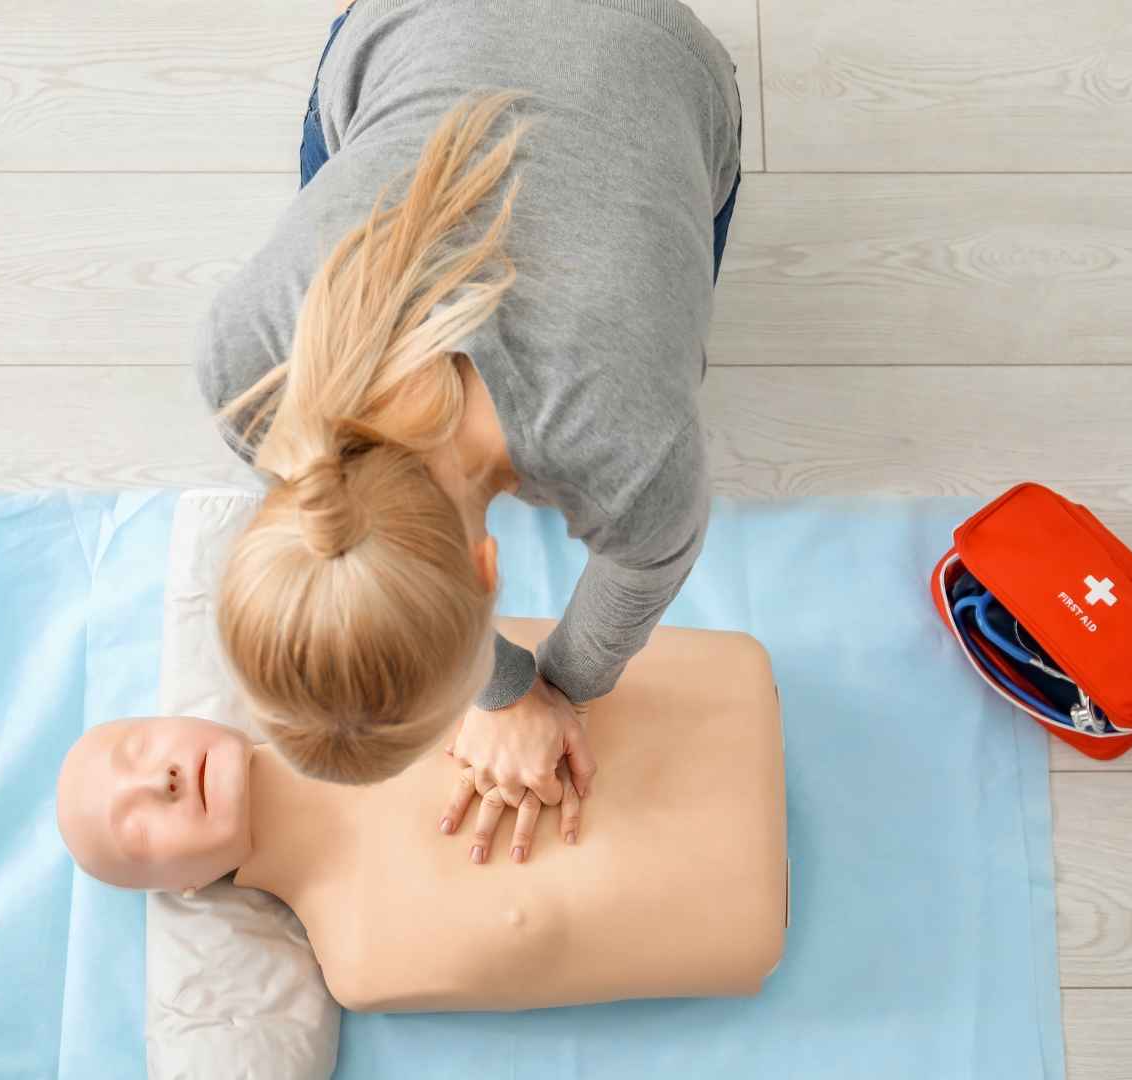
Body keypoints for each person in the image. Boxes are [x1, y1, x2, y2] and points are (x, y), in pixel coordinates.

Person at [193, 0, 744, 848]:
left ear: (492, 572)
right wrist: (511, 688)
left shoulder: (631, 445)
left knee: (667, 272)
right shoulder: (243, 365)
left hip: (654, 44)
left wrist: (545, 694)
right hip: (409, 22)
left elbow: (647, 568)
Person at [55, 621, 787, 1012]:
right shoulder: (363, 961)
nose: (162, 779)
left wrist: (506, 697)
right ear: (184, 888)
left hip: (721, 695)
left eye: (141, 747)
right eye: (138, 826)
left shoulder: (351, 653)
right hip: (747, 915)